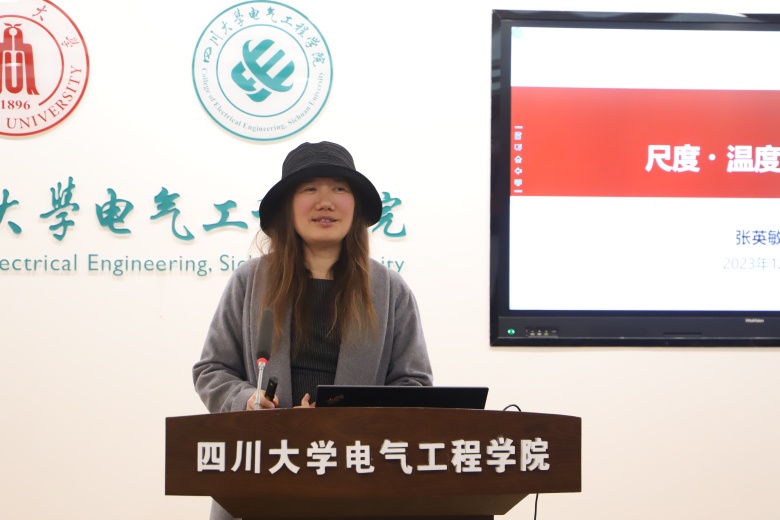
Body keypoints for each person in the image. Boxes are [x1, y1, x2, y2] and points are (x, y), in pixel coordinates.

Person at [193, 141, 433, 520]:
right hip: (265, 470)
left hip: (355, 474)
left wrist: (345, 416)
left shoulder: (389, 289)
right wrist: (247, 400)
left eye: (339, 189)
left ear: (356, 206)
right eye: (309, 189)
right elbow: (211, 370)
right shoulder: (250, 281)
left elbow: (414, 384)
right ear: (288, 206)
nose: (325, 202)